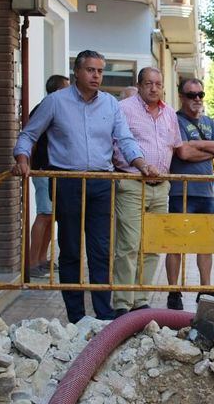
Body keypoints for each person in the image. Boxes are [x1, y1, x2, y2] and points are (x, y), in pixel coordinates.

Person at [12, 50, 158, 323]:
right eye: (91, 70)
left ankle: (103, 314)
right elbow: (28, 135)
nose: (96, 76)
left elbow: (125, 139)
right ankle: (76, 315)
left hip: (102, 183)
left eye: (100, 71)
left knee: (101, 249)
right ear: (76, 72)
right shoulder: (55, 102)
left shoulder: (111, 105)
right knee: (69, 249)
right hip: (67, 182)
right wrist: (22, 159)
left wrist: (141, 164)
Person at [111, 67, 200, 318]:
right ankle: (122, 301)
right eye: (148, 83)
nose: (153, 88)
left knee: (152, 245)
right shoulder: (124, 109)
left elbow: (178, 147)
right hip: (131, 182)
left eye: (158, 84)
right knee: (128, 244)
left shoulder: (169, 113)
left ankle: (141, 298)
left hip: (161, 187)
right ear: (139, 85)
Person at [166, 78, 214, 310]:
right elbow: (183, 153)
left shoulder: (208, 121)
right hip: (181, 191)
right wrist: (210, 148)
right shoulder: (174, 120)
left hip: (205, 192)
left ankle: (206, 289)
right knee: (176, 244)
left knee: (206, 243)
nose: (197, 99)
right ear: (181, 97)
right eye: (191, 95)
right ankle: (173, 292)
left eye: (200, 95)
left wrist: (199, 147)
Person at [28, 74, 70, 278]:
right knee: (44, 215)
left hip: (53, 170)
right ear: (58, 91)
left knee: (50, 216)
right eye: (67, 88)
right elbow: (31, 138)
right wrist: (33, 166)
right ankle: (32, 262)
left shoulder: (59, 109)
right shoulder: (45, 108)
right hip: (44, 169)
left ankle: (43, 259)